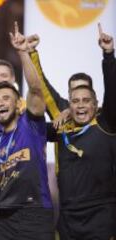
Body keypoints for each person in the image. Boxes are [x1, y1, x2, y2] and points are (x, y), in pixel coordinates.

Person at [0, 22, 54, 239]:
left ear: (17, 104)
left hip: (35, 212)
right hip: (4, 214)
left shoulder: (31, 123)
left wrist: (23, 52)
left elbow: (35, 89)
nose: (0, 102)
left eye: (6, 98)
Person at [46, 24, 116, 240]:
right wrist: (28, 53)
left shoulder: (107, 125)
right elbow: (43, 92)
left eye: (86, 101)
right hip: (67, 221)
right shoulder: (60, 129)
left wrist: (108, 55)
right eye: (75, 101)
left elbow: (113, 91)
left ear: (96, 105)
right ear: (69, 106)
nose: (81, 105)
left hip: (102, 218)